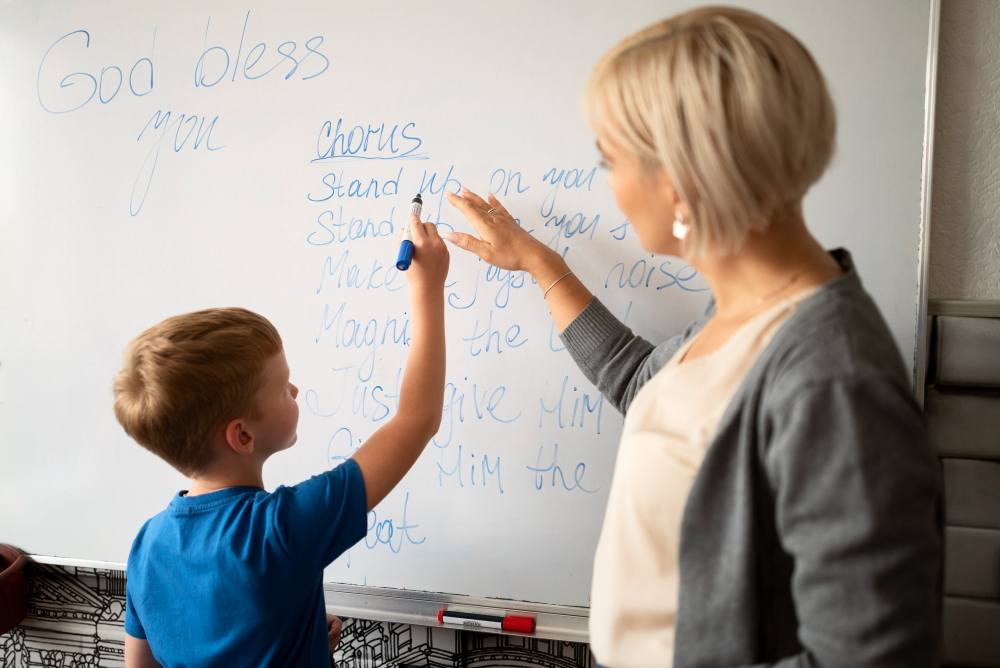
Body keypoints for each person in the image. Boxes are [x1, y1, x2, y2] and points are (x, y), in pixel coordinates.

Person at [444, 6, 940, 667]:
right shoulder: (742, 312)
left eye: (610, 160)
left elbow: (872, 658)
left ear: (679, 177)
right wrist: (542, 264)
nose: (610, 186)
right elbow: (642, 383)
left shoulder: (833, 376)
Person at [114, 216, 449, 666]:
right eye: (282, 385)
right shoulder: (283, 530)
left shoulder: (146, 545)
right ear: (242, 435)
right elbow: (417, 420)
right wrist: (427, 287)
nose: (295, 390)